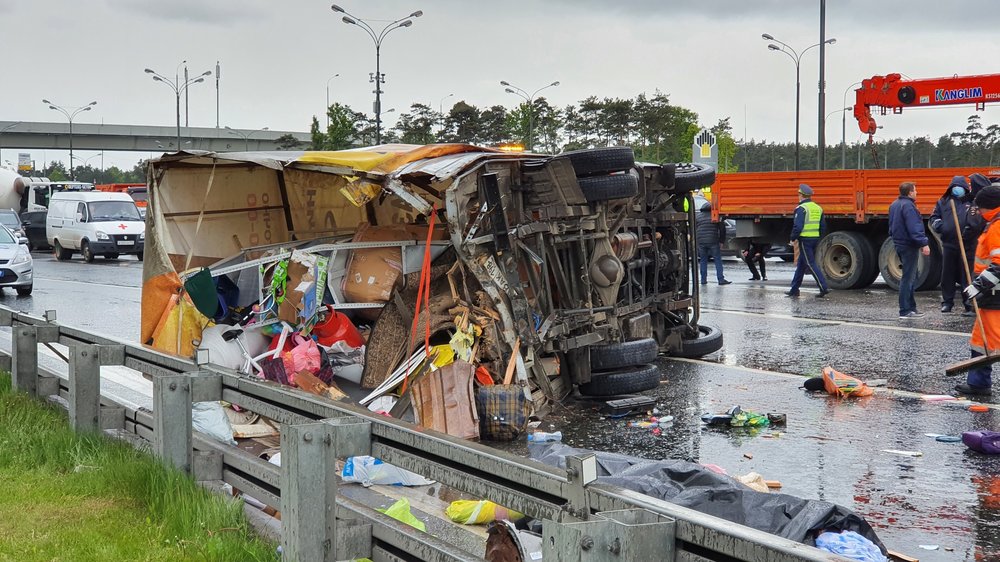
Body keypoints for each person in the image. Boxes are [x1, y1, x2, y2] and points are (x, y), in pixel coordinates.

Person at [957, 184, 1000, 396]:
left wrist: (978, 285)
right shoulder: (993, 224)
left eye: (981, 208)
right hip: (991, 294)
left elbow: (999, 263)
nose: (979, 212)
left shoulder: (997, 227)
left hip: (994, 295)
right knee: (980, 339)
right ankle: (977, 383)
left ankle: (979, 383)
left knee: (987, 341)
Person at [930, 175, 985, 315]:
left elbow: (976, 220)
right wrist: (940, 226)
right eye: (954, 187)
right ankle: (947, 302)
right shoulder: (943, 201)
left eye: (959, 187)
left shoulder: (971, 202)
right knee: (947, 274)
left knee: (966, 275)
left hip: (967, 244)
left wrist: (967, 233)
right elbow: (934, 217)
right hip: (949, 244)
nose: (957, 190)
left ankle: (968, 302)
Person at [888, 182, 930, 319]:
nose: (916, 192)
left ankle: (911, 308)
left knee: (911, 276)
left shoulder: (894, 204)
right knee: (908, 277)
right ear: (910, 192)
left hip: (899, 244)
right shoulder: (909, 206)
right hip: (909, 245)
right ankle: (905, 310)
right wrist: (924, 243)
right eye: (915, 190)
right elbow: (914, 227)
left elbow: (891, 225)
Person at [786, 184, 829, 298]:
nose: (798, 196)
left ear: (801, 195)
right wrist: (818, 237)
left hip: (805, 240)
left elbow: (798, 227)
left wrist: (792, 238)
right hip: (814, 238)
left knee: (810, 264)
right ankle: (794, 289)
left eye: (799, 194)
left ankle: (823, 287)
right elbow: (823, 226)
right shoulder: (818, 208)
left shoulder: (801, 209)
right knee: (801, 264)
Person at [695, 201, 731, 285]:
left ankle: (703, 280)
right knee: (717, 259)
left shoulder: (698, 216)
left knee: (703, 260)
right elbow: (722, 229)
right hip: (713, 241)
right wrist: (721, 241)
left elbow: (694, 228)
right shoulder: (715, 215)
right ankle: (720, 279)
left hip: (701, 241)